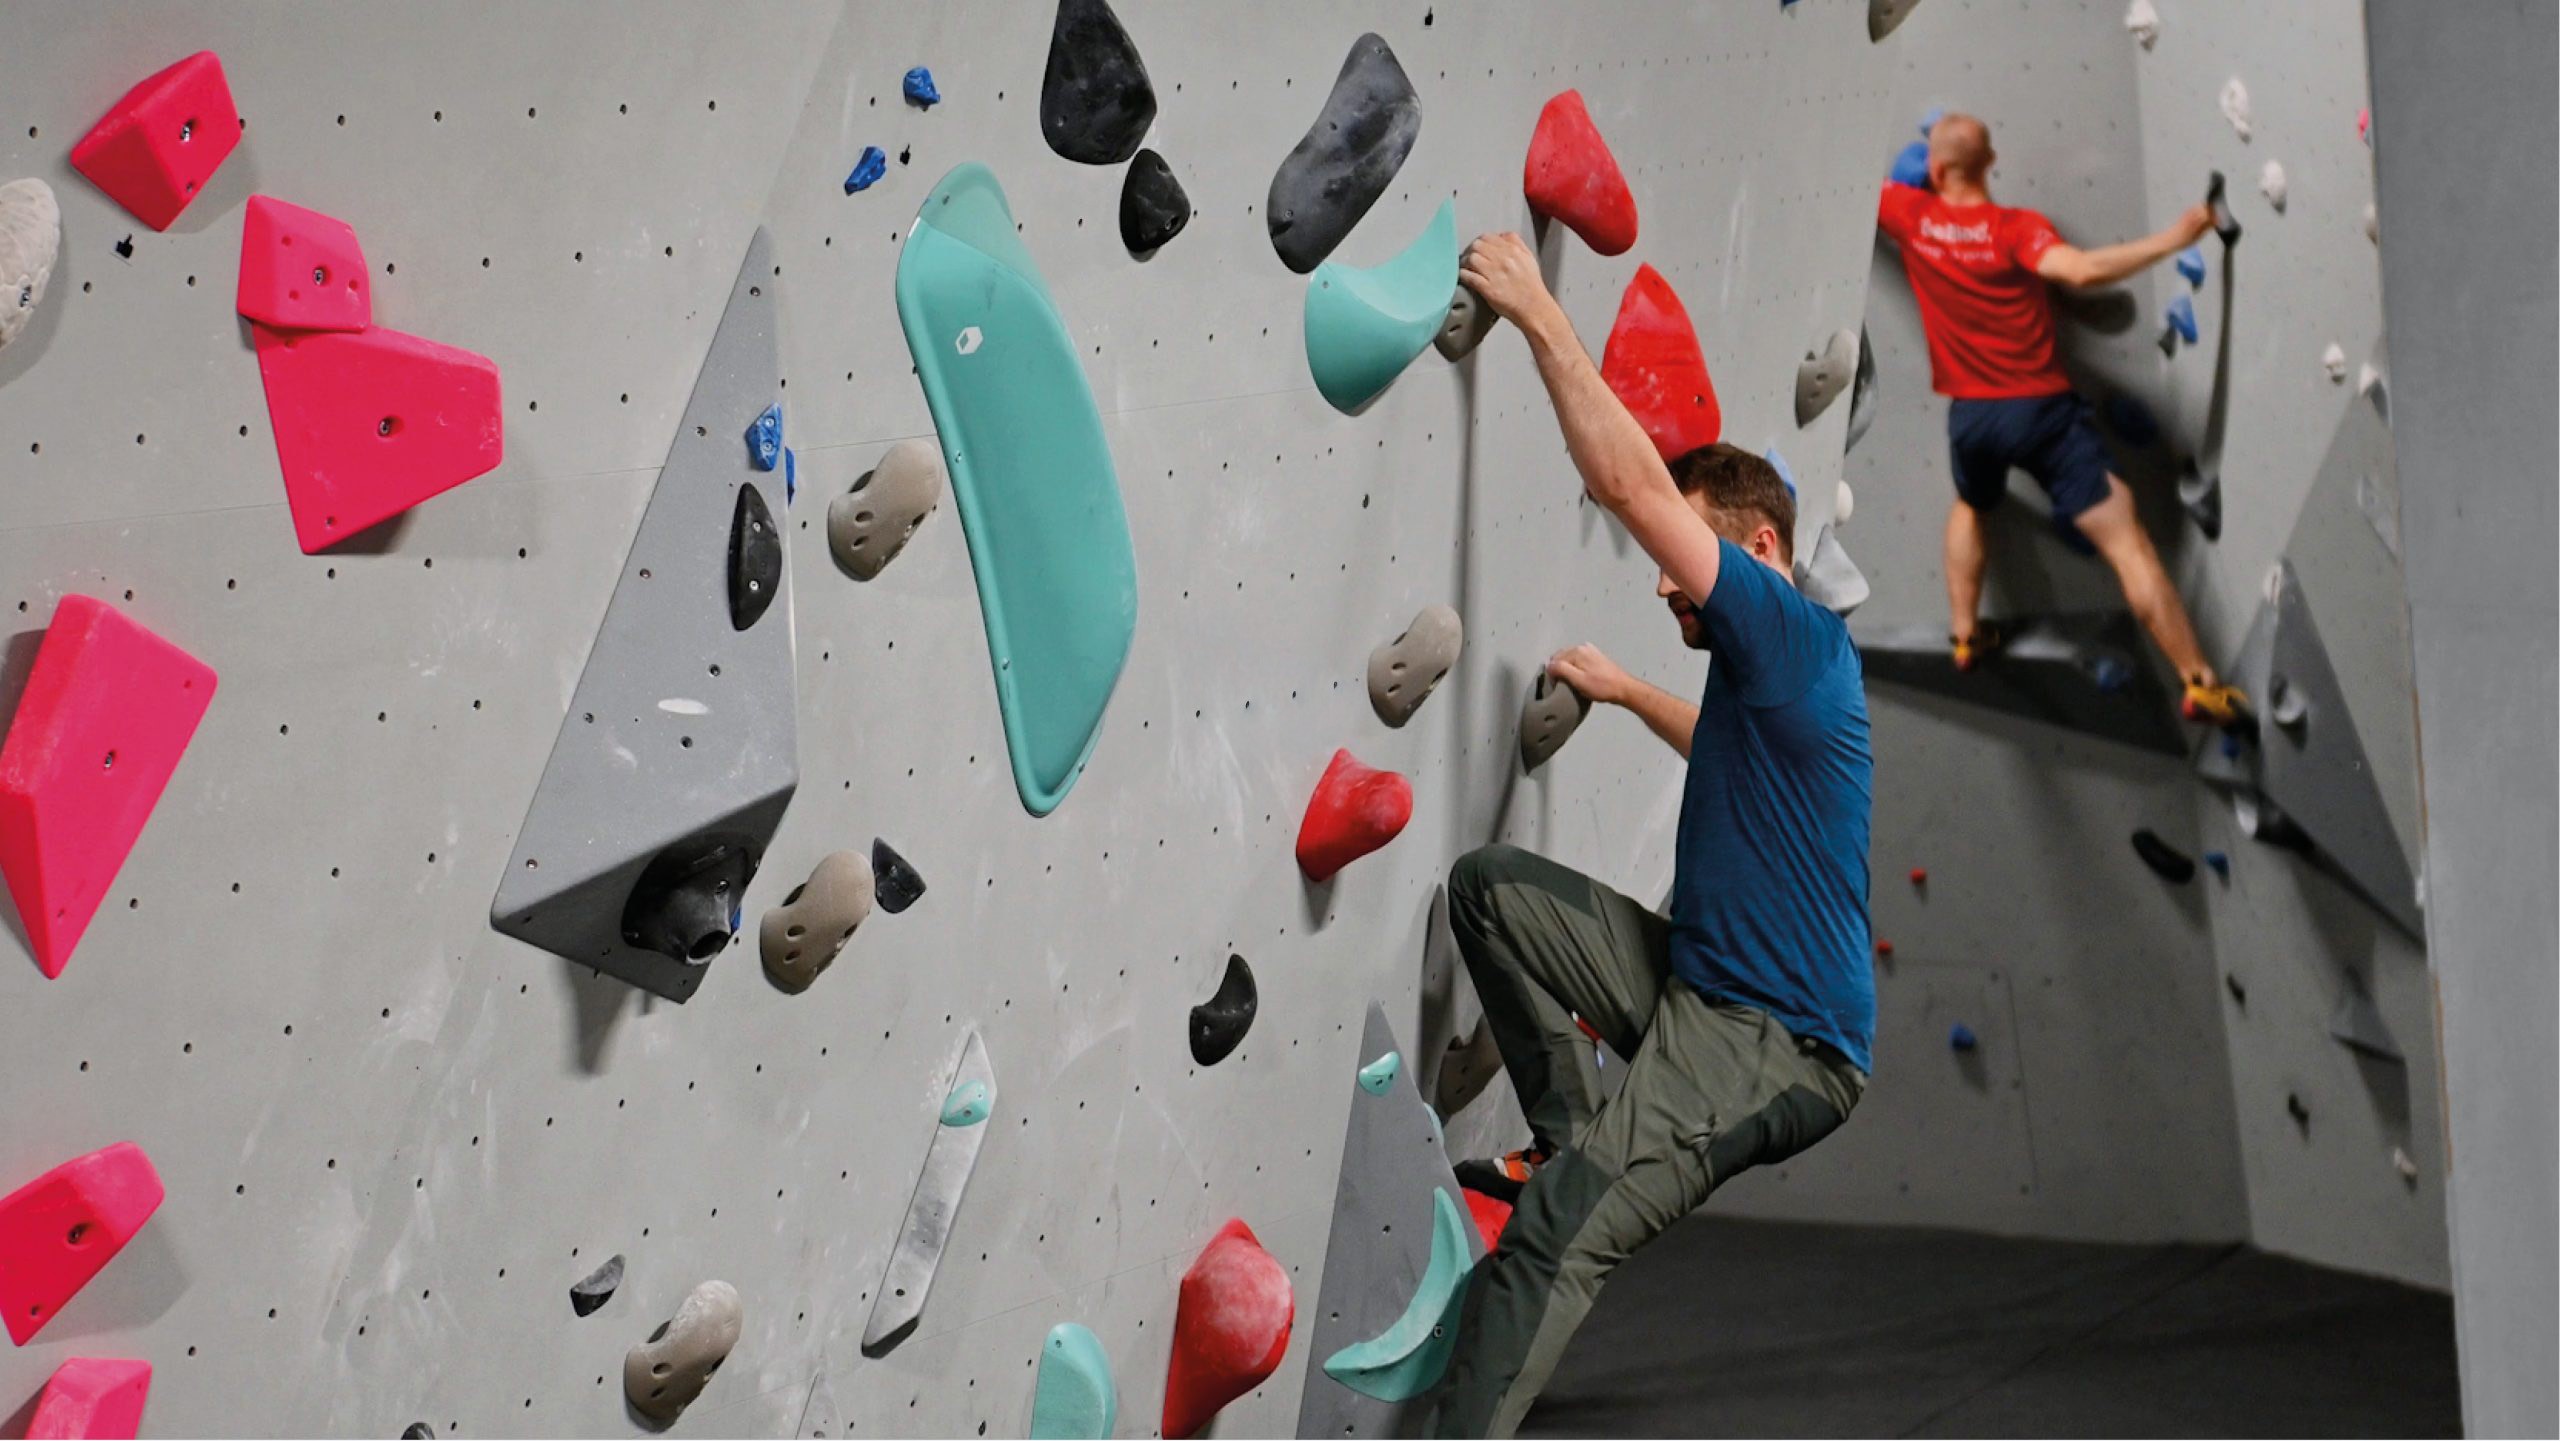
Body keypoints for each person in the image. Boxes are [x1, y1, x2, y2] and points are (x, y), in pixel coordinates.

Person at [1424, 232, 1875, 1439]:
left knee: (1558, 1233)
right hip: (1695, 984)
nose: (1665, 587)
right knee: (1490, 891)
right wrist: (1629, 694)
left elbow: (1627, 487)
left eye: (1690, 562)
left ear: (1759, 550)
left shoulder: (1783, 628)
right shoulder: (1767, 679)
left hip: (1777, 1043)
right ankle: (1572, 1123)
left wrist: (1536, 315)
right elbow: (1731, 751)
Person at [1877, 111, 2249, 723]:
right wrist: (2177, 238)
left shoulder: (1910, 216)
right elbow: (2077, 271)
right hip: (2042, 413)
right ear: (1990, 162)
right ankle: (2198, 679)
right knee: (2129, 547)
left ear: (1937, 171)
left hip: (1972, 419)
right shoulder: (2015, 229)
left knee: (1971, 505)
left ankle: (1966, 633)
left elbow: (1862, 190)